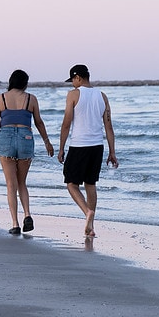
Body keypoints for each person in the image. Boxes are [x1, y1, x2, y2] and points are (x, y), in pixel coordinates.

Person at [57, 64, 118, 238]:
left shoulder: (73, 95)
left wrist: (61, 148)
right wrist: (112, 152)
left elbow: (66, 123)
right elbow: (109, 126)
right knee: (90, 184)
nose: (72, 84)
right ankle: (91, 227)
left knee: (71, 183)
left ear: (78, 77)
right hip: (97, 146)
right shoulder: (102, 96)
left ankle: (87, 213)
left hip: (79, 145)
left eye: (72, 80)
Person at [0, 69, 54, 234]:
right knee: (22, 183)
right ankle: (27, 214)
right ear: (25, 83)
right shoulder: (31, 99)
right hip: (26, 138)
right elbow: (39, 122)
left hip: (6, 138)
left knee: (11, 184)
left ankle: (15, 224)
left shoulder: (1, 98)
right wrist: (47, 142)